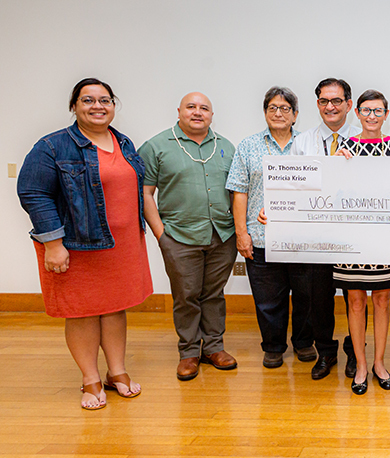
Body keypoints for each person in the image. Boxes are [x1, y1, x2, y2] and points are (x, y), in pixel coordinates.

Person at [17, 78, 151, 409]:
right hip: (76, 244)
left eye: (105, 100)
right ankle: (90, 378)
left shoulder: (123, 142)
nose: (97, 106)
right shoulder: (53, 146)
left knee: (115, 307)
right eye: (88, 100)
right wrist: (53, 243)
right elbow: (33, 192)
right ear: (74, 106)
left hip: (121, 244)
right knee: (81, 311)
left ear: (114, 105)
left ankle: (116, 372)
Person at [226, 86, 338, 371]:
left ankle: (303, 342)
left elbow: (321, 186)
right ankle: (273, 346)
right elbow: (239, 191)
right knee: (268, 299)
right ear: (265, 113)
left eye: (285, 108)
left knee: (306, 296)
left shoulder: (310, 144)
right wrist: (242, 233)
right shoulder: (248, 146)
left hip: (303, 239)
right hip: (261, 237)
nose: (278, 113)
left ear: (295, 115)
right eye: (272, 108)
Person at [139, 92, 238, 381]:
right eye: (191, 107)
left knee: (214, 294)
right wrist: (161, 234)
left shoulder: (226, 147)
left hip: (222, 235)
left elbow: (237, 192)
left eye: (204, 108)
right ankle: (189, 352)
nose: (198, 112)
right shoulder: (156, 146)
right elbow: (145, 193)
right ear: (179, 110)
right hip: (179, 236)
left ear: (212, 114)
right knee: (186, 296)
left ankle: (214, 347)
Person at [333, 90, 390, 395]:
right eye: (366, 110)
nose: (372, 116)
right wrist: (334, 165)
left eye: (378, 111)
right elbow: (332, 192)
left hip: (386, 237)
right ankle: (360, 365)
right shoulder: (344, 148)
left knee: (382, 300)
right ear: (357, 113)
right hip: (351, 237)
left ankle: (379, 362)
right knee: (355, 300)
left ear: (386, 114)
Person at [290, 78, 363, 380]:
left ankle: (354, 352)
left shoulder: (365, 138)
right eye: (323, 101)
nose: (330, 107)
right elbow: (293, 187)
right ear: (317, 104)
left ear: (349, 104)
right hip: (316, 234)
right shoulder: (303, 142)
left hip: (354, 234)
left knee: (356, 296)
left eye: (336, 101)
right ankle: (326, 351)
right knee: (318, 296)